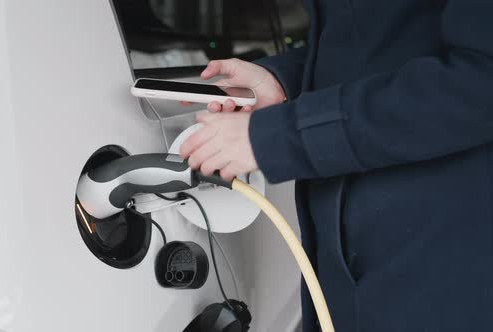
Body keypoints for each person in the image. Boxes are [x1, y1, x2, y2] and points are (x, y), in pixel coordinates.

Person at [179, 1, 493, 331]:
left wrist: (282, 135)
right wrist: (283, 81)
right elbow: (383, 45)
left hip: (441, 259)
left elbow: (481, 78)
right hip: (361, 260)